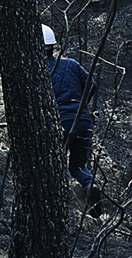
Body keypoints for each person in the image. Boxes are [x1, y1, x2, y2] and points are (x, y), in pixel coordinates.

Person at [44, 24, 102, 217]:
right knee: (78, 166)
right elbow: (91, 85)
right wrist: (82, 106)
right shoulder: (71, 64)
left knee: (51, 164)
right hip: (83, 121)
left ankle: (54, 205)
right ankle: (90, 185)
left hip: (59, 124)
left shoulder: (38, 73)